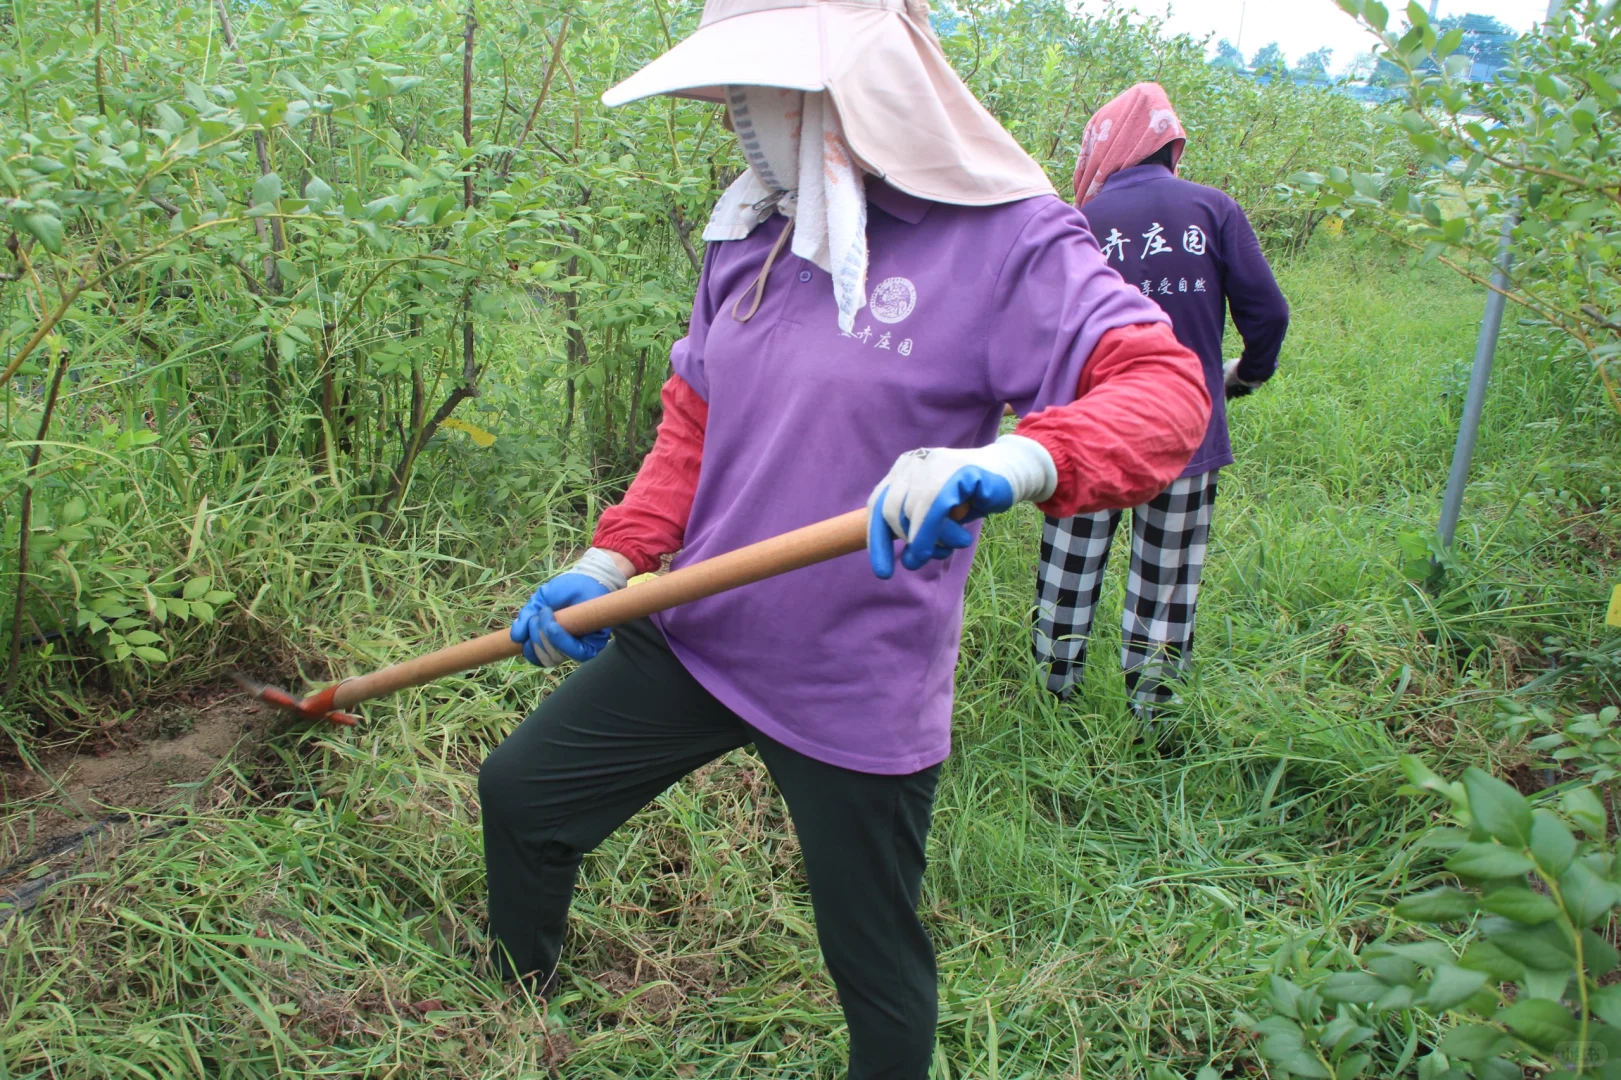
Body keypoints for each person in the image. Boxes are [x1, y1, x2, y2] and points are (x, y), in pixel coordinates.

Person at [475, 7, 1210, 1076]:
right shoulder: (753, 231)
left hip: (852, 678)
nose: (734, 122)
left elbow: (1161, 387)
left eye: (754, 97)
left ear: (842, 97)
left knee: (872, 964)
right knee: (524, 794)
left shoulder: (1004, 241)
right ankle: (513, 1005)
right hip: (697, 629)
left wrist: (1009, 462)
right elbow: (694, 414)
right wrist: (613, 557)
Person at [1033, 82, 1290, 721]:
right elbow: (1270, 314)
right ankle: (1155, 720)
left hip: (1090, 432)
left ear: (1106, 148)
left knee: (1068, 573)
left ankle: (1054, 703)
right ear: (1169, 146)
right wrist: (1241, 378)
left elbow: (1040, 330)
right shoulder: (1214, 210)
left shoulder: (1080, 223)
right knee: (1165, 584)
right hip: (1187, 433)